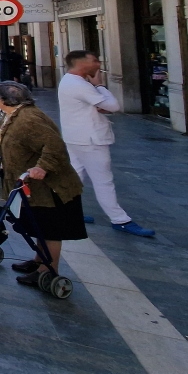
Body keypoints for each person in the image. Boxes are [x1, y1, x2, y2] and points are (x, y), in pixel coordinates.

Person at [0, 81, 87, 286]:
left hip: (51, 188)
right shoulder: (12, 115)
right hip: (32, 188)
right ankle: (38, 262)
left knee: (50, 230)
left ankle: (47, 271)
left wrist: (42, 167)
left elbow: (55, 146)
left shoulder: (29, 119)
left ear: (2, 101)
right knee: (40, 226)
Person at [58, 50, 154, 237]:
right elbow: (114, 106)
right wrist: (100, 86)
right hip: (90, 139)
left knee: (74, 176)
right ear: (82, 64)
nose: (98, 64)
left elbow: (100, 106)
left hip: (75, 136)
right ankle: (120, 219)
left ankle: (69, 212)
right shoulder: (80, 84)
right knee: (103, 180)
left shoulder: (69, 81)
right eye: (94, 61)